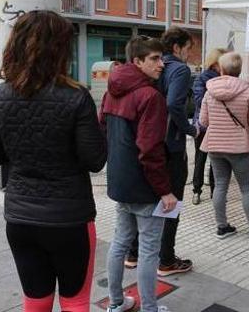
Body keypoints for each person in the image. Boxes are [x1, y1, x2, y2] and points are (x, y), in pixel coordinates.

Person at [0, 10, 106, 312]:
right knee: (75, 301)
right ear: (60, 49)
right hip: (69, 218)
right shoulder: (77, 97)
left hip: (21, 217)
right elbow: (95, 160)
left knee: (35, 301)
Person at [101, 36, 175, 312]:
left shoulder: (112, 92)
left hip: (120, 180)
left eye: (161, 58)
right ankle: (150, 309)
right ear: (138, 61)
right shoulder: (150, 96)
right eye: (154, 59)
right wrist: (165, 190)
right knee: (148, 250)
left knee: (120, 242)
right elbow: (150, 149)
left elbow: (102, 130)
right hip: (145, 186)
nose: (162, 64)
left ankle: (116, 303)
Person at [199, 52, 249, 243]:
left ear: (221, 69)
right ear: (239, 71)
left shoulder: (209, 91)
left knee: (220, 186)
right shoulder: (248, 90)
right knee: (247, 189)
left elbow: (203, 121)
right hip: (239, 147)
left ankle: (222, 226)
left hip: (215, 145)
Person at [156, 26, 197, 276]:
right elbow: (174, 104)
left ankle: (134, 253)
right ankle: (167, 259)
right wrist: (190, 129)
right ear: (177, 47)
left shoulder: (154, 66)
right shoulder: (179, 69)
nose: (189, 55)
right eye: (188, 49)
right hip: (171, 145)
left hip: (150, 145)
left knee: (149, 201)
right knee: (172, 203)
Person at [191, 48, 226, 205]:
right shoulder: (202, 78)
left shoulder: (224, 78)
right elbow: (198, 100)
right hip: (205, 126)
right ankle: (197, 190)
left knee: (214, 161)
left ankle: (213, 191)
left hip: (210, 125)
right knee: (201, 159)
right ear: (216, 63)